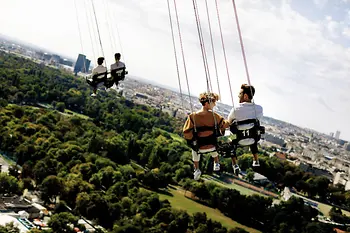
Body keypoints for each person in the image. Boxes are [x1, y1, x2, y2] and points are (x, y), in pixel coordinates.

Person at [183, 92, 230, 180]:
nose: (215, 104)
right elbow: (224, 125)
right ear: (207, 103)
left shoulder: (193, 116)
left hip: (199, 147)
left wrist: (191, 139)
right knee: (215, 142)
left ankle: (196, 169)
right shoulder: (215, 116)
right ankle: (216, 162)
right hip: (212, 146)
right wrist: (229, 121)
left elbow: (186, 132)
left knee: (194, 149)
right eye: (214, 102)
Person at [228, 84, 263, 174]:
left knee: (229, 138)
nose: (238, 96)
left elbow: (229, 122)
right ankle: (256, 160)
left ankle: (235, 164)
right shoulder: (259, 109)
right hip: (253, 140)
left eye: (240, 94)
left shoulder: (236, 109)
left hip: (238, 140)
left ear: (245, 96)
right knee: (254, 130)